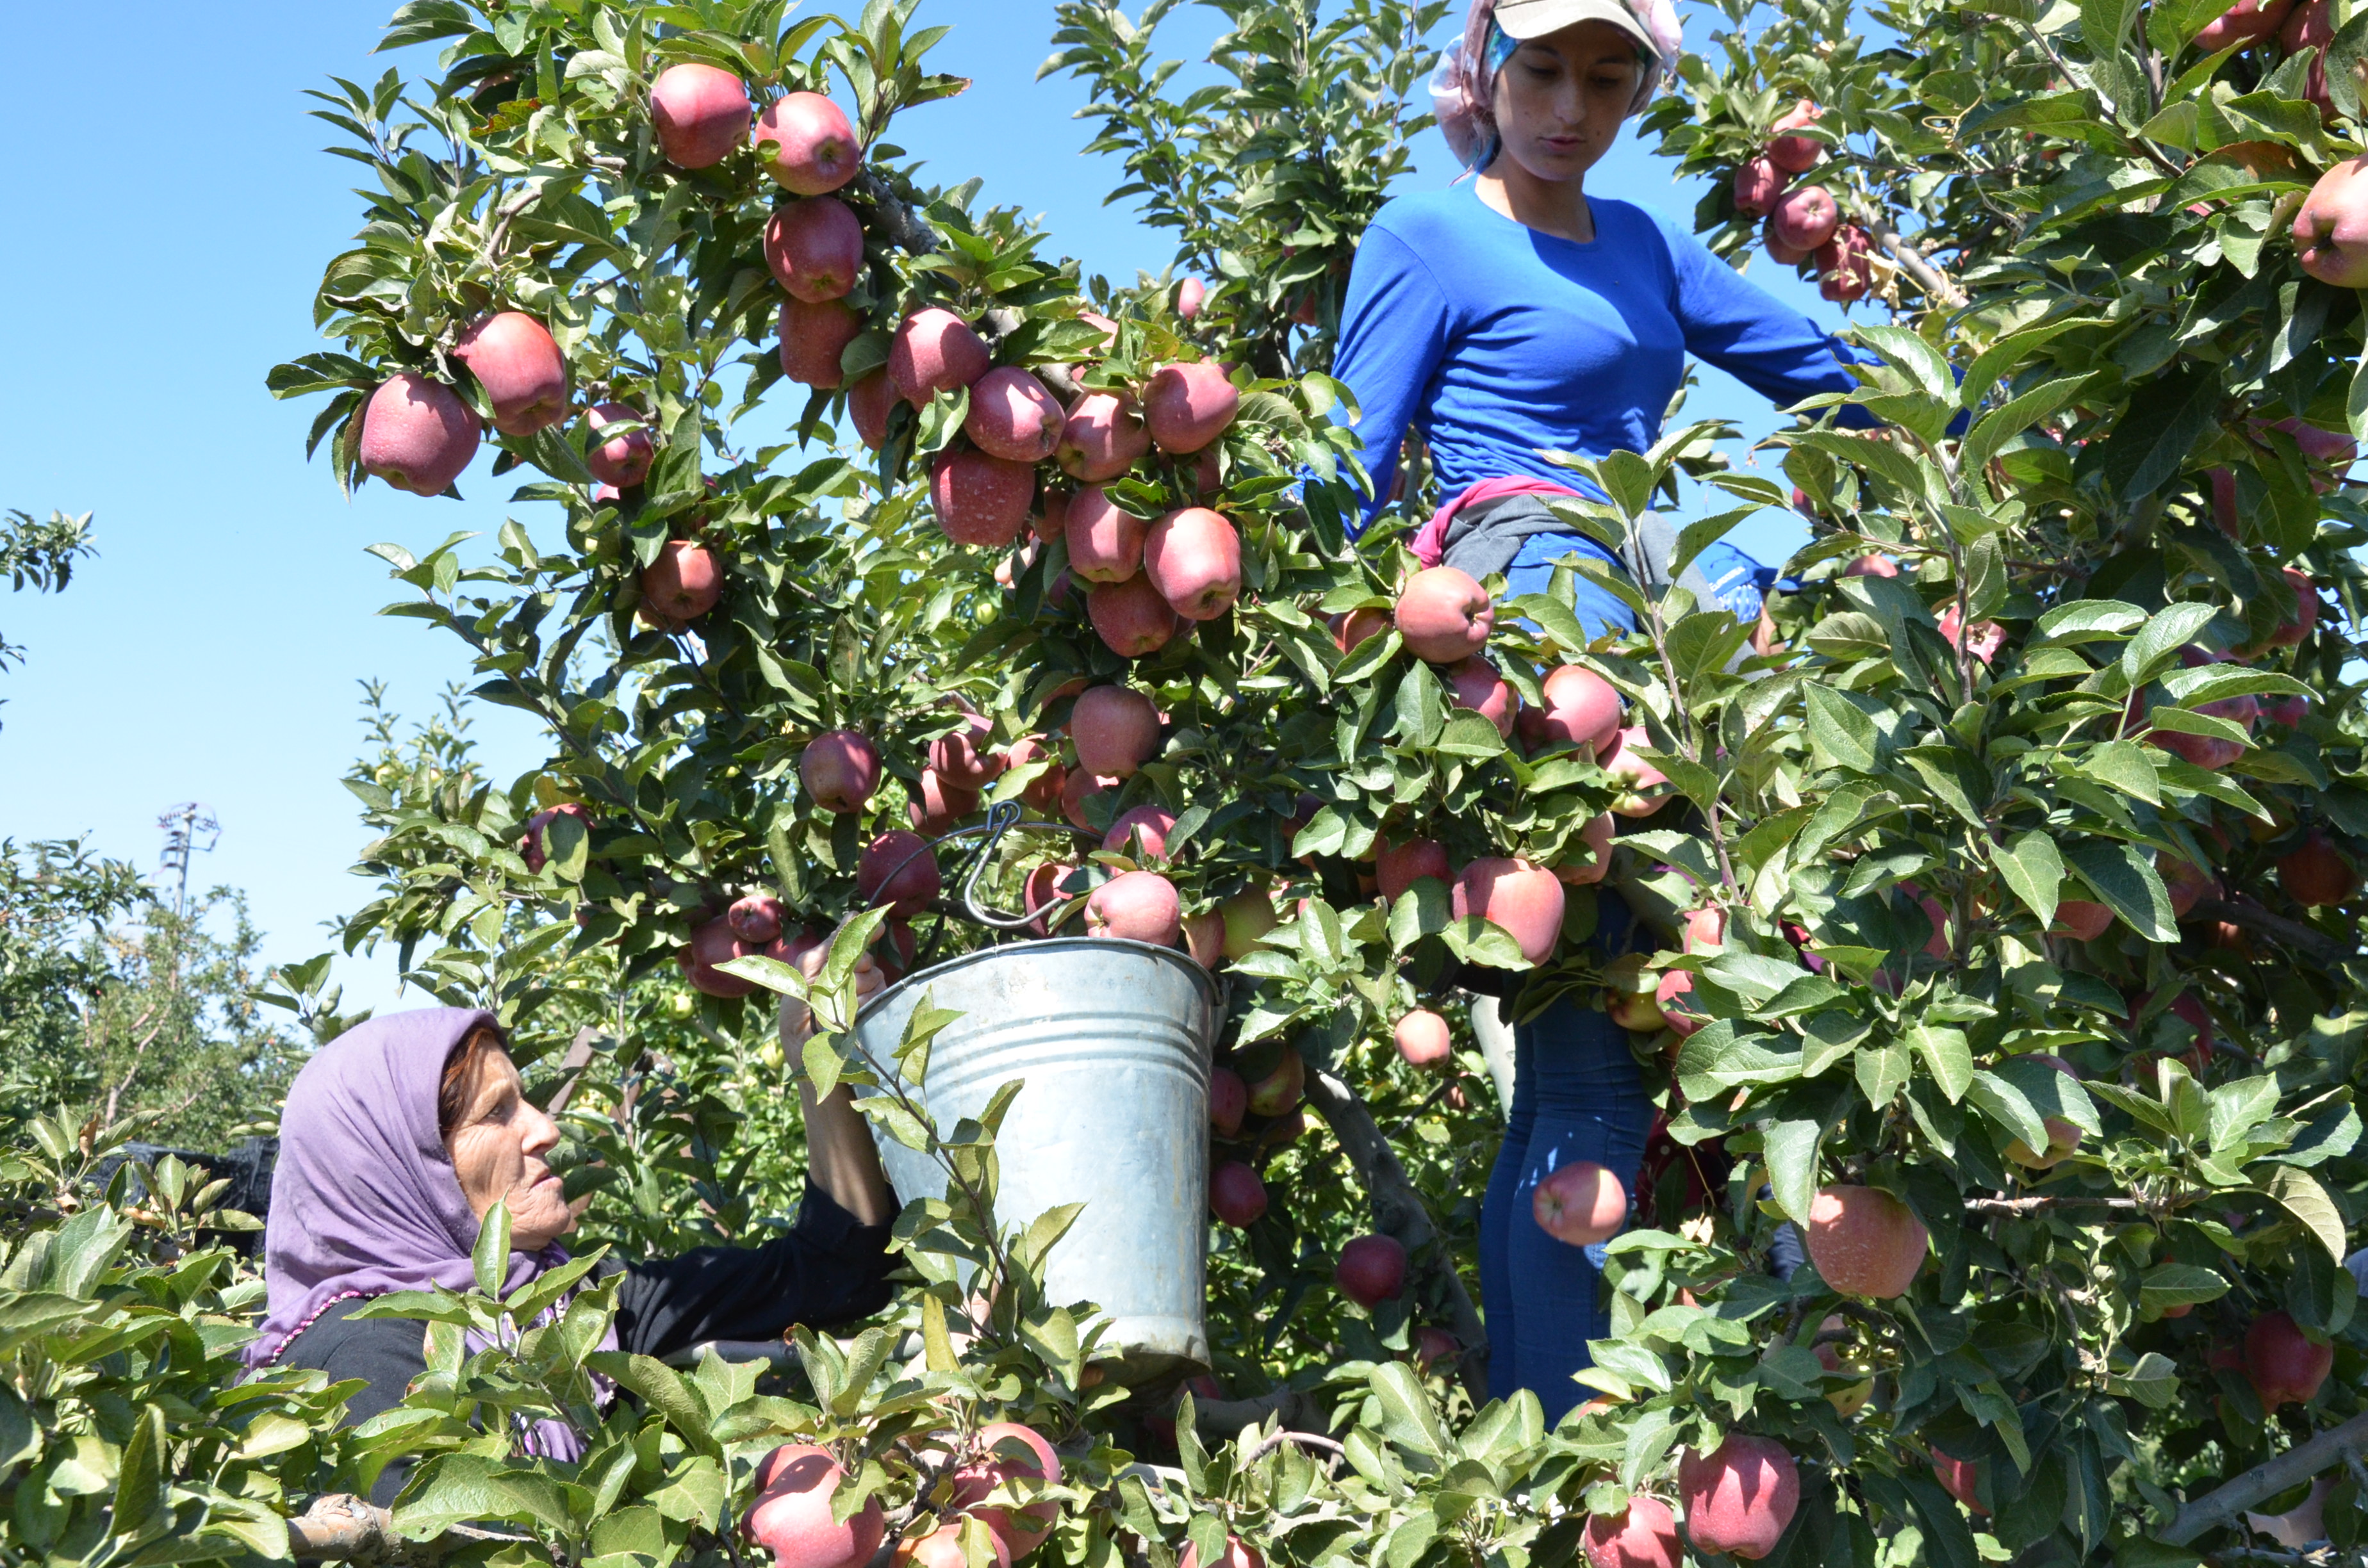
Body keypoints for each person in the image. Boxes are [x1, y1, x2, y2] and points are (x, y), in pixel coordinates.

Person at [1327, 0, 1890, 1421]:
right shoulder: (1426, 235)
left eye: (1606, 75)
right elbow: (1345, 462)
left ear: (1641, 86)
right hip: (1528, 617)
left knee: (1620, 1061)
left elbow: (1821, 372)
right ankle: (1558, 1443)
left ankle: (1555, 1439)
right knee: (1592, 1056)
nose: (1569, 105)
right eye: (1542, 69)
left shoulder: (1642, 245)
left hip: (1652, 621)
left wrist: (1996, 414)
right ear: (1487, 69)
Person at [247, 947, 897, 1503]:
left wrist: (814, 1057)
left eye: (524, 1099)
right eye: (497, 1113)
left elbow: (838, 1270)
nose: (546, 1129)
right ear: (397, 1168)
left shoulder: (568, 1304)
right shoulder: (368, 1361)